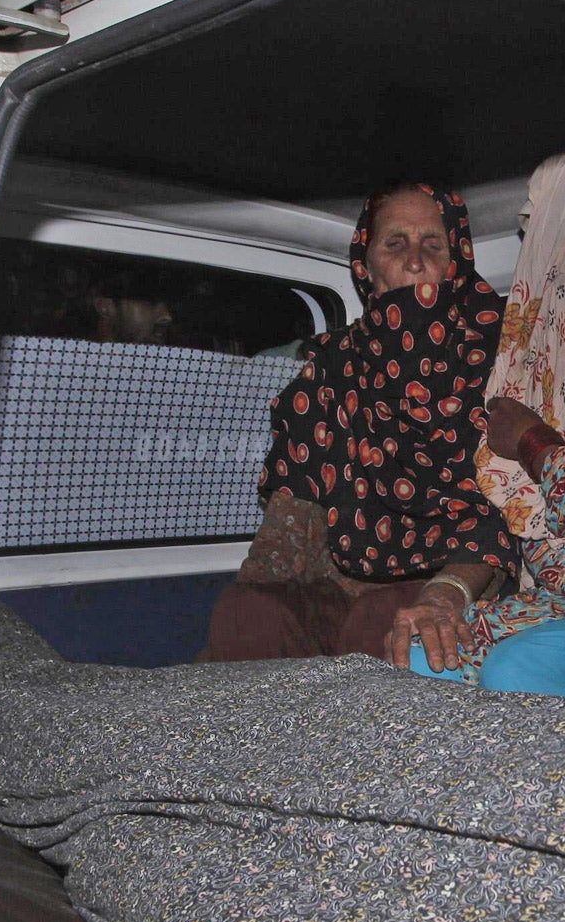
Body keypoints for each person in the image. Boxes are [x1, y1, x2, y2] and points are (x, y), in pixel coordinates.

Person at [201, 183, 519, 665]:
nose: (415, 261)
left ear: (457, 262)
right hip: (341, 581)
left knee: (384, 619)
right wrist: (251, 598)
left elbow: (510, 509)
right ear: (365, 266)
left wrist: (449, 589)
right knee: (246, 614)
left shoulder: (501, 359)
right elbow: (293, 508)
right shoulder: (333, 367)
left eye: (433, 245)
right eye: (395, 243)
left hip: (460, 577)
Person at [402, 152, 565, 697]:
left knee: (516, 671)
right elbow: (489, 514)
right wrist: (448, 593)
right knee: (426, 661)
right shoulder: (526, 359)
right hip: (560, 596)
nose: (553, 262)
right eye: (546, 239)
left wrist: (537, 445)